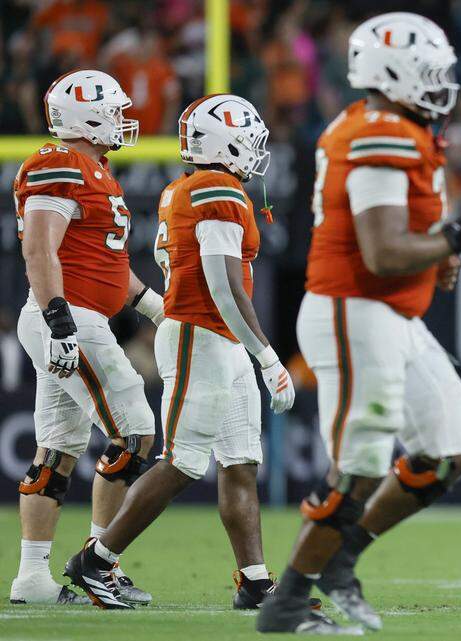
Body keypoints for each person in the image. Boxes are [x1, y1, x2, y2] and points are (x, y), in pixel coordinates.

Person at [256, 13, 461, 634]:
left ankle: (341, 558)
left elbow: (407, 244)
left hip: (393, 313)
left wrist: (440, 252)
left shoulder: (401, 127)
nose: (441, 81)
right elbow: (382, 251)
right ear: (390, 72)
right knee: (360, 464)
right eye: (428, 69)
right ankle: (288, 601)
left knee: (447, 451)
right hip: (352, 308)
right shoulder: (379, 132)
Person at [63, 95, 298, 611]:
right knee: (183, 463)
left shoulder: (186, 188)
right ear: (224, 140)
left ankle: (255, 581)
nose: (256, 147)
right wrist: (269, 356)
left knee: (239, 464)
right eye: (248, 135)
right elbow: (222, 286)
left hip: (218, 337)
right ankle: (97, 560)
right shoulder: (215, 187)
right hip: (201, 332)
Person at [10, 69, 161, 606]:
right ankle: (101, 564)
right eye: (114, 109)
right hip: (68, 315)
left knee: (57, 450)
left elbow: (111, 268)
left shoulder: (95, 170)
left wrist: (158, 310)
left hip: (76, 312)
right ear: (85, 115)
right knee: (136, 435)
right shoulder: (59, 163)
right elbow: (39, 250)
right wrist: (59, 320)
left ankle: (32, 578)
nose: (123, 119)